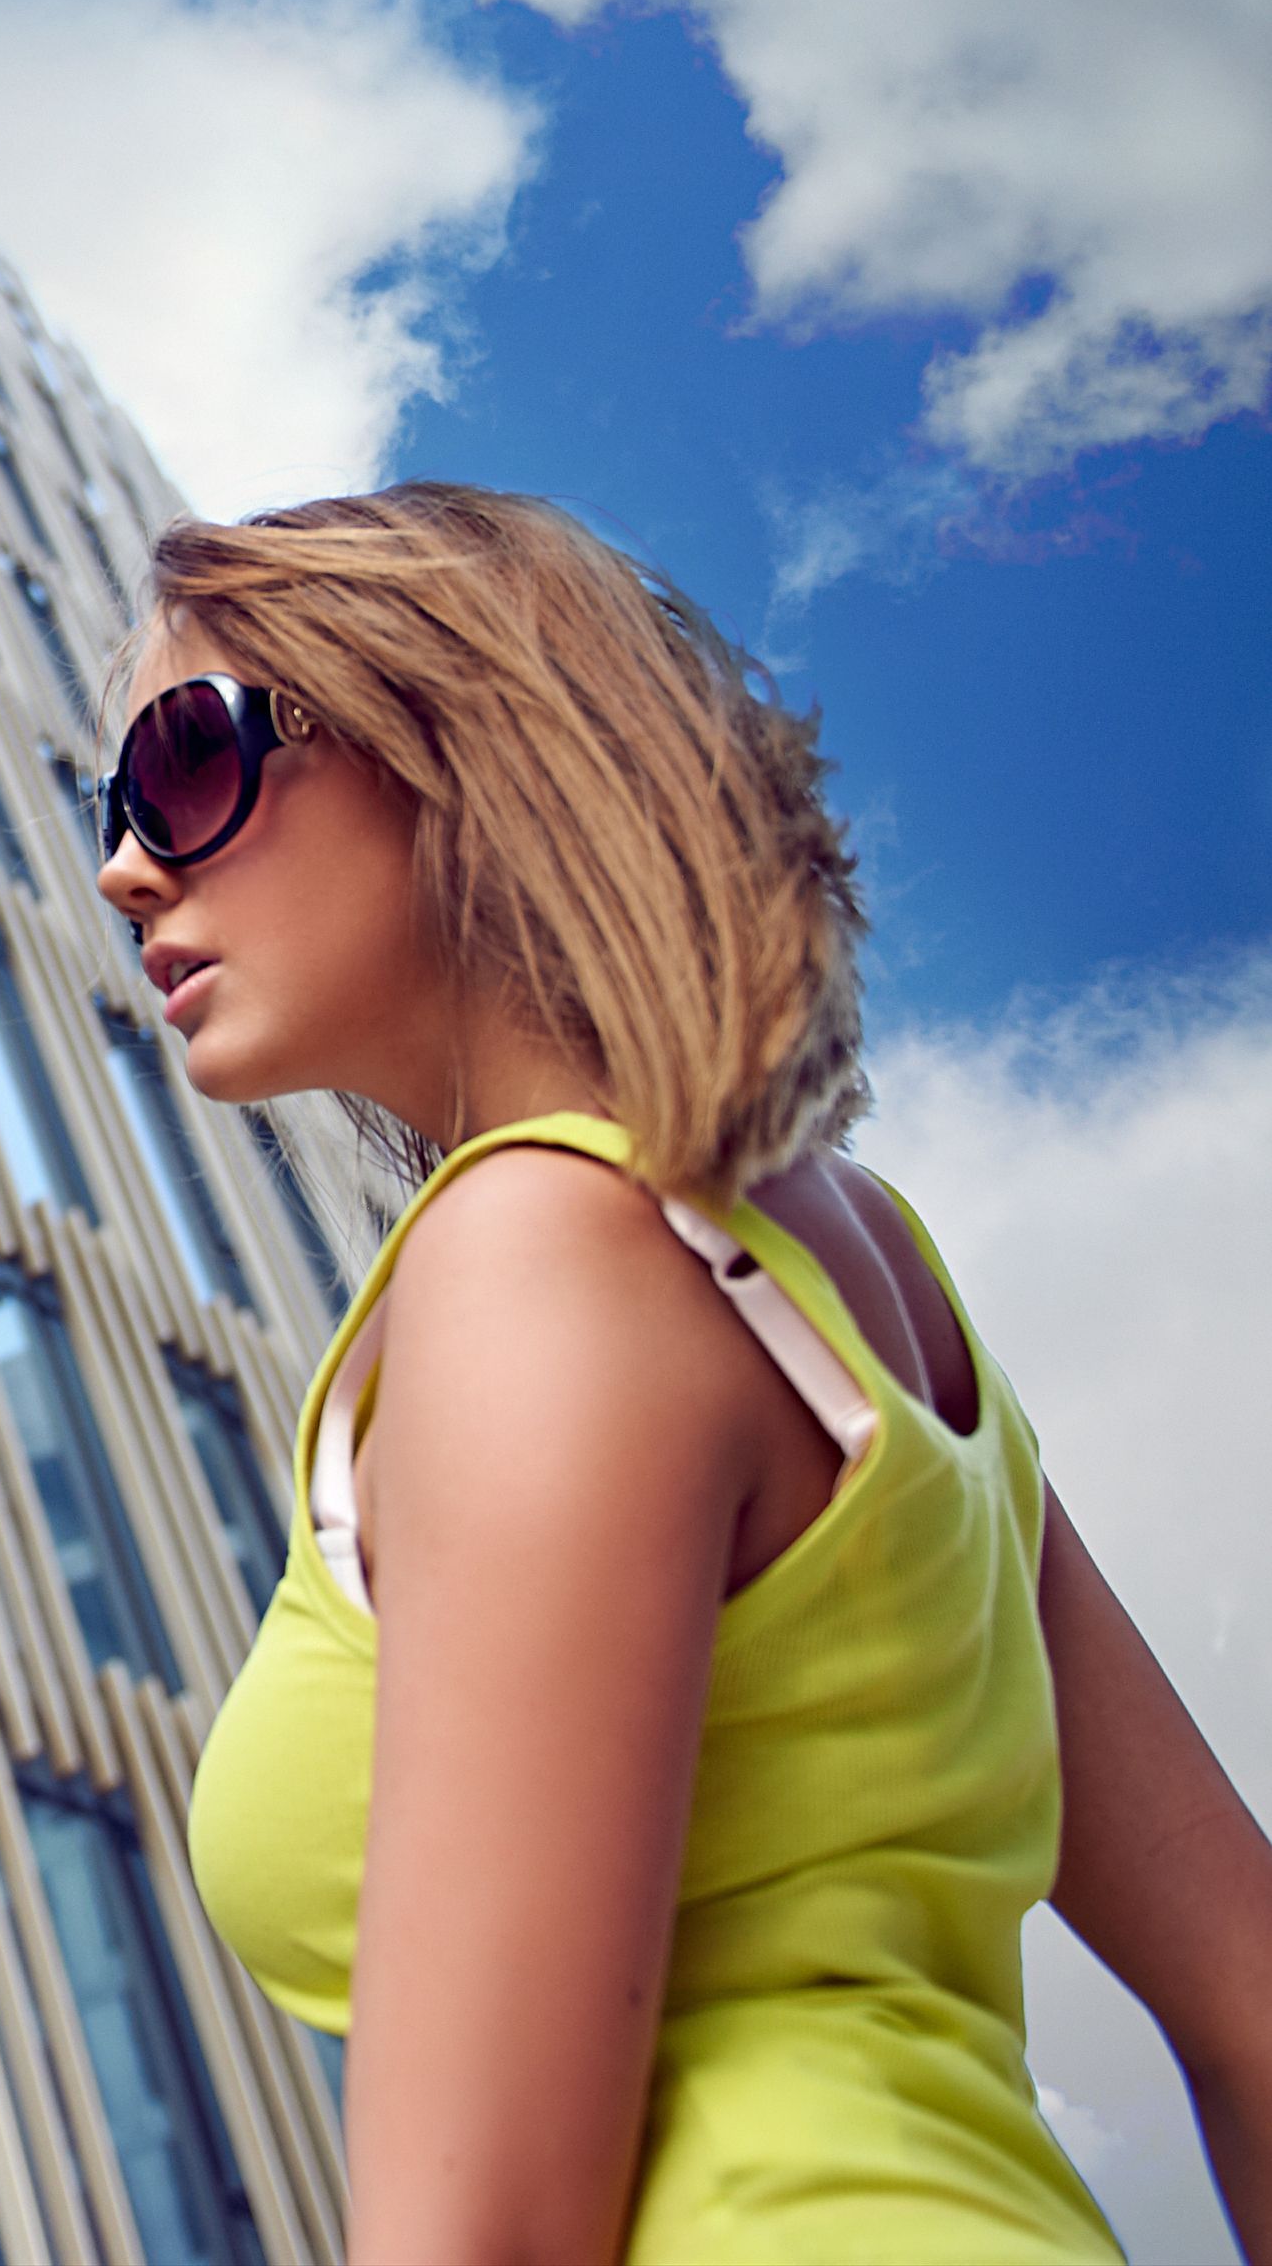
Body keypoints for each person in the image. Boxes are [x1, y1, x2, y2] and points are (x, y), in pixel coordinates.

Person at [113, 485, 1271, 2260]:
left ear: (451, 728)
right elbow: (1251, 2001)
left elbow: (491, 2231)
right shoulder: (867, 1266)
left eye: (184, 764)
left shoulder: (537, 1247)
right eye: (113, 809)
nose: (126, 868)